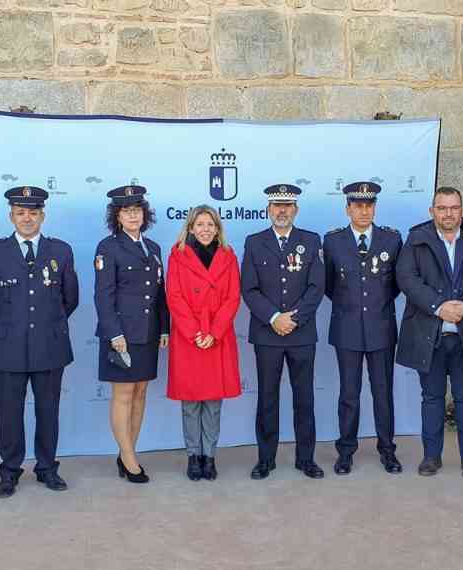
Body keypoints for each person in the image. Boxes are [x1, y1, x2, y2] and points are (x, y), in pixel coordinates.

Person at [0, 186, 79, 498]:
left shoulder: (60, 251)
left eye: (33, 213)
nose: (27, 218)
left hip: (49, 344)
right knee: (9, 413)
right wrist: (14, 325)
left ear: (42, 216)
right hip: (7, 347)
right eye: (20, 213)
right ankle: (9, 472)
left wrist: (44, 325)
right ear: (11, 216)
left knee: (48, 410)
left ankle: (47, 468)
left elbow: (70, 299)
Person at [396, 186, 463, 480]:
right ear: (432, 211)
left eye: (454, 208)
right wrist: (438, 306)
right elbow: (406, 278)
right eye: (442, 208)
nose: (448, 213)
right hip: (431, 335)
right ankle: (431, 457)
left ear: (462, 210)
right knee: (432, 398)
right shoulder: (416, 238)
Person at [241, 184, 325, 480]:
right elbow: (248, 289)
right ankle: (266, 459)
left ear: (296, 210)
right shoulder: (254, 242)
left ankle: (306, 459)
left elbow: (317, 287)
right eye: (277, 205)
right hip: (267, 334)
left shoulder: (311, 241)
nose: (282, 210)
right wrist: (275, 317)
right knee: (267, 398)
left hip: (302, 334)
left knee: (304, 398)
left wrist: (294, 319)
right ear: (268, 209)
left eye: (287, 205)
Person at [322, 181, 403, 475]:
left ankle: (387, 450)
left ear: (374, 208)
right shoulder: (332, 241)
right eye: (358, 206)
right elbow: (330, 286)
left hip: (381, 328)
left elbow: (395, 286)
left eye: (369, 205)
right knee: (349, 395)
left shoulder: (391, 240)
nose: (364, 211)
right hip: (347, 329)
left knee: (383, 393)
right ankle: (346, 451)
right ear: (348, 209)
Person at [94, 185, 169, 483]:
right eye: (126, 210)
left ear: (145, 214)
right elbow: (103, 295)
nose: (133, 215)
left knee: (140, 394)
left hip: (148, 334)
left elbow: (160, 294)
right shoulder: (108, 248)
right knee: (123, 394)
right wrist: (114, 334)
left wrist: (164, 328)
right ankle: (128, 459)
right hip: (122, 334)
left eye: (137, 210)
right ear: (117, 215)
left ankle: (128, 452)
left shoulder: (153, 248)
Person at [166, 205, 242, 481]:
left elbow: (233, 297)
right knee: (190, 402)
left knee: (212, 402)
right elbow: (174, 296)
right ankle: (193, 456)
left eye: (210, 224)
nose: (205, 229)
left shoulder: (228, 256)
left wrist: (215, 331)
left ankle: (209, 456)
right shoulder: (178, 255)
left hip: (217, 336)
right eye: (200, 224)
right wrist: (195, 332)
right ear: (190, 228)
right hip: (190, 337)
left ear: (218, 228)